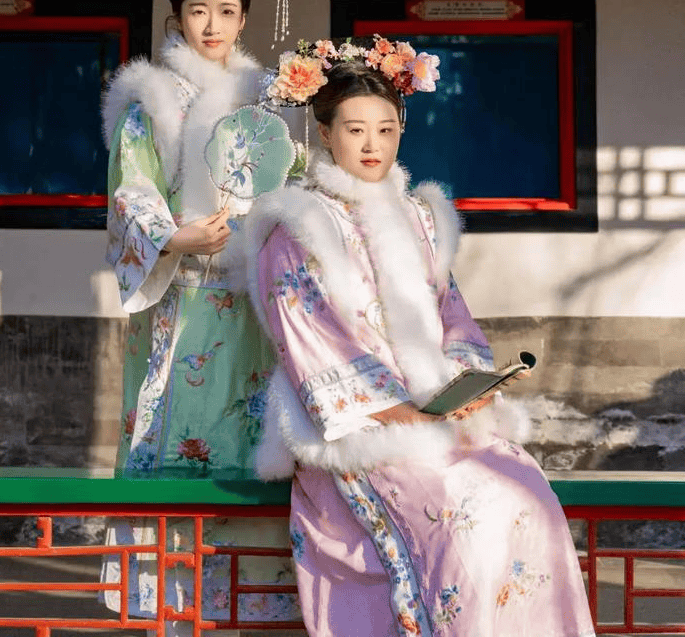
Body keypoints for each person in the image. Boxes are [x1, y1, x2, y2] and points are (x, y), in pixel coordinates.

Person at [242, 40, 596, 637]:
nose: (372, 144)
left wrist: (466, 386)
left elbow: (451, 312)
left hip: (434, 412)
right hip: (360, 428)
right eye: (355, 130)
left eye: (385, 129)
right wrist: (397, 411)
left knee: (527, 496)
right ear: (325, 133)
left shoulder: (419, 218)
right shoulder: (299, 228)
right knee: (467, 516)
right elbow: (308, 339)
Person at [100, 0, 301, 627]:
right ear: (176, 13)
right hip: (179, 298)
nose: (212, 26)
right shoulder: (151, 98)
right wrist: (173, 236)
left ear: (245, 16)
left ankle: (252, 600)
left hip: (252, 305)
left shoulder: (271, 97)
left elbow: (295, 186)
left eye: (226, 11)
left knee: (254, 437)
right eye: (197, 10)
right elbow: (129, 193)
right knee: (175, 430)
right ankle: (165, 603)